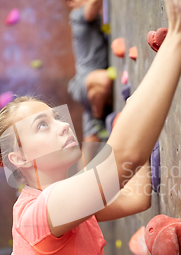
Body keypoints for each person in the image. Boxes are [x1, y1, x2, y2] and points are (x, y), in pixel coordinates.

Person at [0, 0, 181, 255]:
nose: (64, 126)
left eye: (56, 117)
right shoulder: (40, 213)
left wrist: (140, 114)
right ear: (18, 159)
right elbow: (125, 156)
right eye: (43, 126)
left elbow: (137, 195)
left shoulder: (66, 203)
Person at [65, 0, 113, 147]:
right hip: (84, 81)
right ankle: (97, 117)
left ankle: (95, 115)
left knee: (91, 146)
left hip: (92, 86)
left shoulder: (91, 19)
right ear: (71, 2)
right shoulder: (78, 16)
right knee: (104, 80)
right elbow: (94, 4)